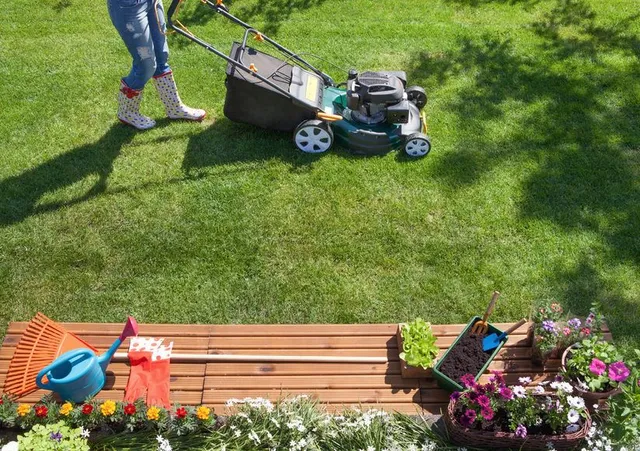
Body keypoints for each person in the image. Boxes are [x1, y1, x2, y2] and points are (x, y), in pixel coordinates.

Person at [107, 0, 205, 130]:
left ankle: (174, 107)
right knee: (146, 65)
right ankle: (127, 112)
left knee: (161, 56)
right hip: (128, 6)